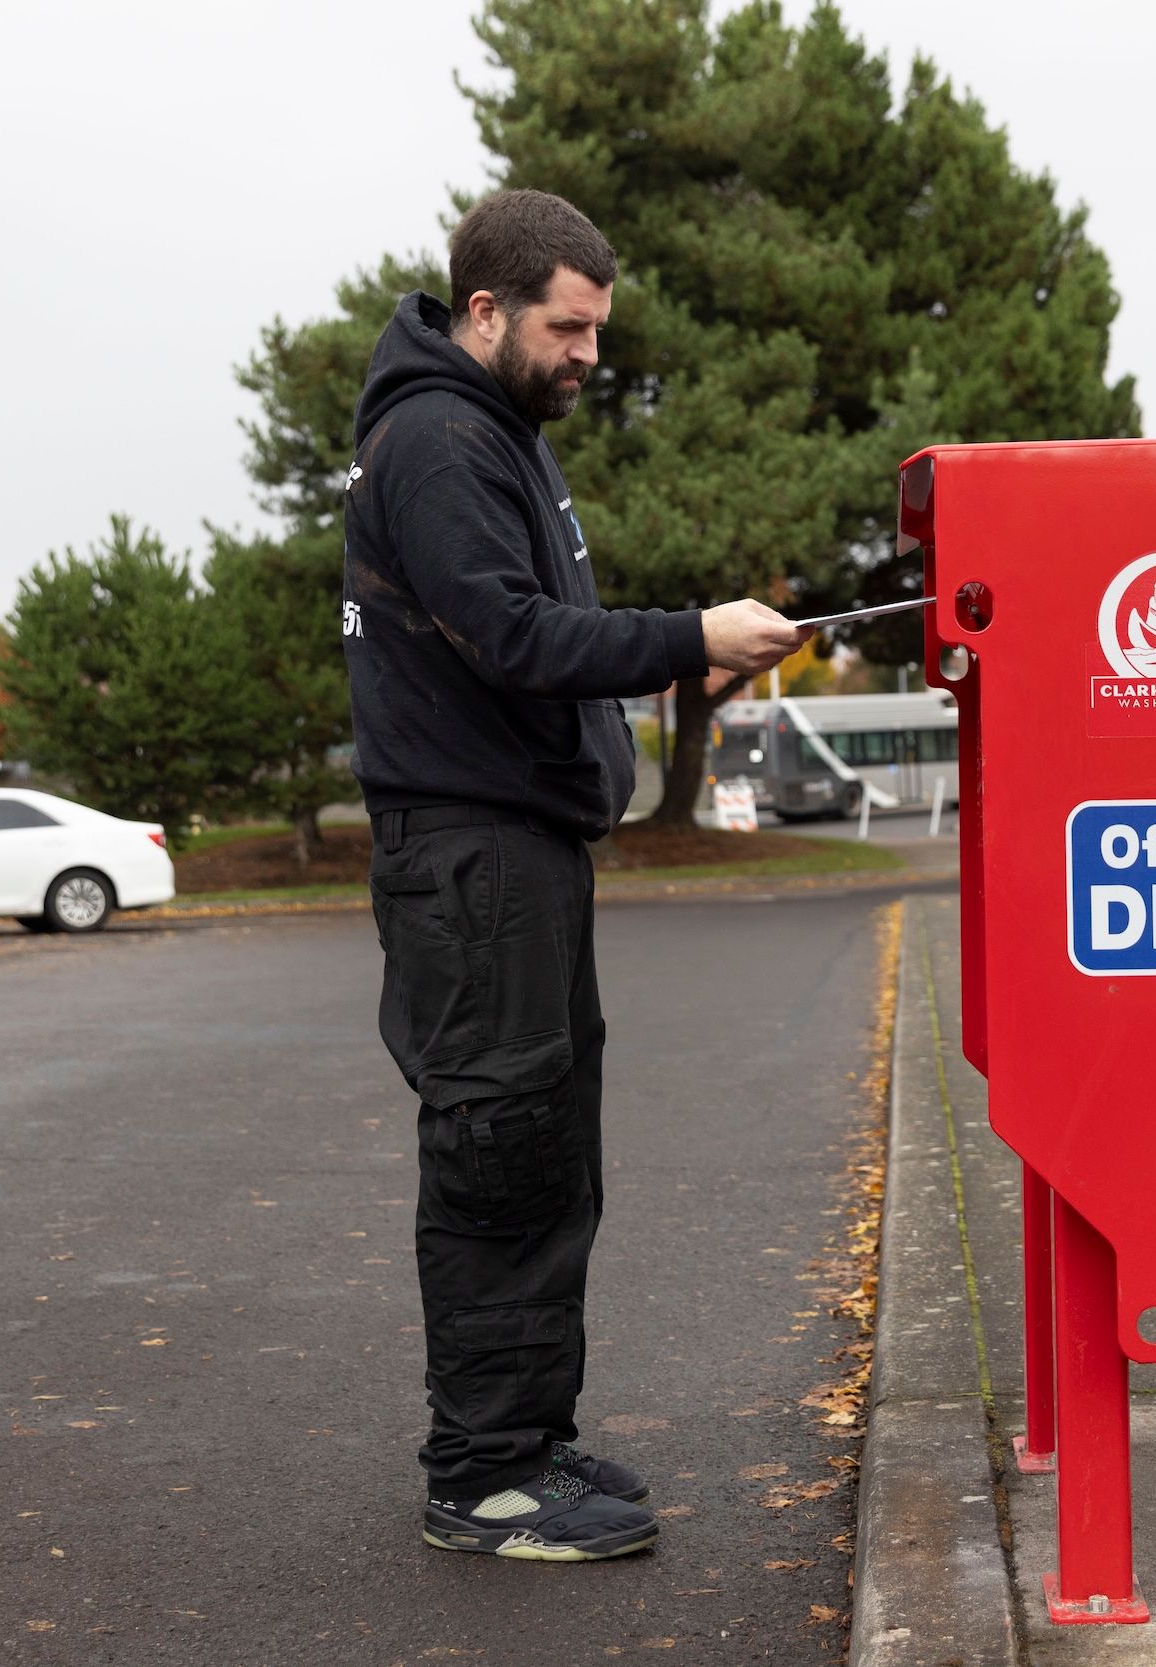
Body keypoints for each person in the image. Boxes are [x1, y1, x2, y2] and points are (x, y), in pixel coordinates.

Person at [340, 189, 802, 1561]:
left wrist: (684, 655)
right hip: (473, 863)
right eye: (570, 327)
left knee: (546, 1158)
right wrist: (680, 635)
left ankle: (526, 1440)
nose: (590, 353)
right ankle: (478, 1474)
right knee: (499, 1155)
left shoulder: (494, 434)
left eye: (597, 328)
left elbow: (535, 636)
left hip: (520, 856)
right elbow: (511, 636)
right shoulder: (436, 441)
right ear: (488, 310)